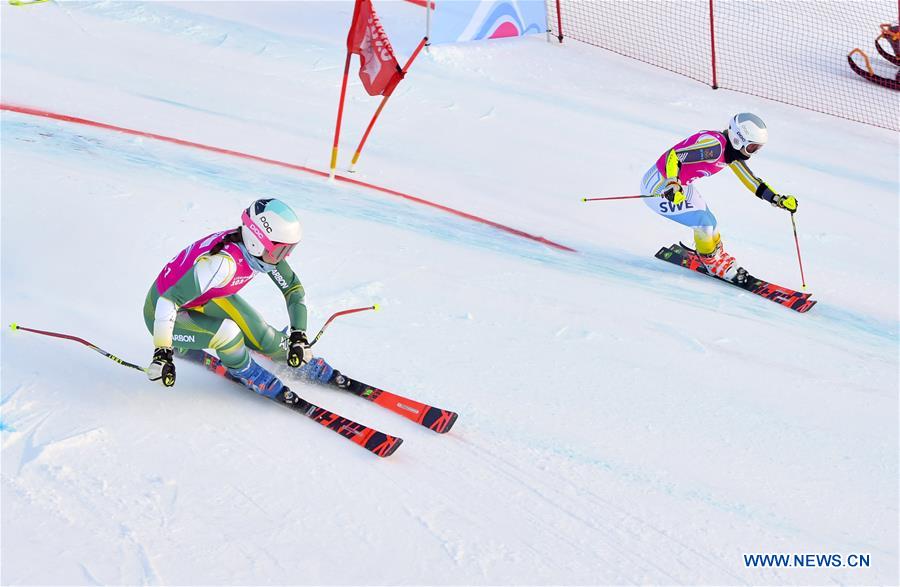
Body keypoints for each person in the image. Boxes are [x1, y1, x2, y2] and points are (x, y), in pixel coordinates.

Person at [142, 198, 333, 396]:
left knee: (261, 334)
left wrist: (298, 334)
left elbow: (293, 288)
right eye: (280, 250)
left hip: (203, 298)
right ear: (256, 242)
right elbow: (168, 301)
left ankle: (283, 350)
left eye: (288, 250)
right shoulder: (222, 265)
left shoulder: (261, 254)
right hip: (161, 313)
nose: (283, 257)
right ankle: (245, 371)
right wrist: (162, 353)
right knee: (229, 335)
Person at [640, 112, 798, 281]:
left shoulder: (730, 153)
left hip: (679, 185)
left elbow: (752, 181)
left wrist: (777, 199)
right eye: (752, 147)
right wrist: (673, 182)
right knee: (704, 224)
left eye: (757, 148)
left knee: (711, 223)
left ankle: (713, 254)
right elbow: (675, 156)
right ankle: (711, 262)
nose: (753, 152)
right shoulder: (714, 148)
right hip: (659, 187)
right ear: (738, 140)